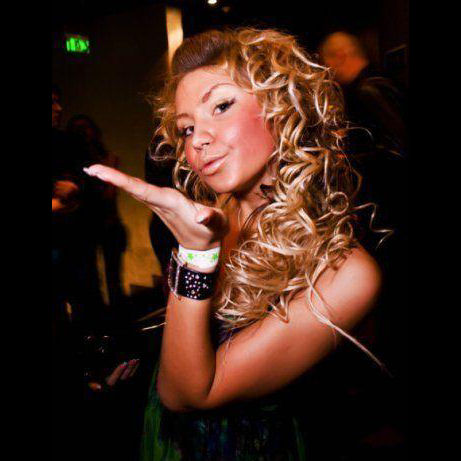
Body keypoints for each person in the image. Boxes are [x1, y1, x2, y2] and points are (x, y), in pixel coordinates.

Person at [85, 28, 389, 460]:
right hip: (163, 435)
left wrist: (196, 255)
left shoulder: (348, 273)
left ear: (282, 107)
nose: (198, 140)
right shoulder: (215, 211)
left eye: (222, 106)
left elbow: (189, 395)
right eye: (186, 128)